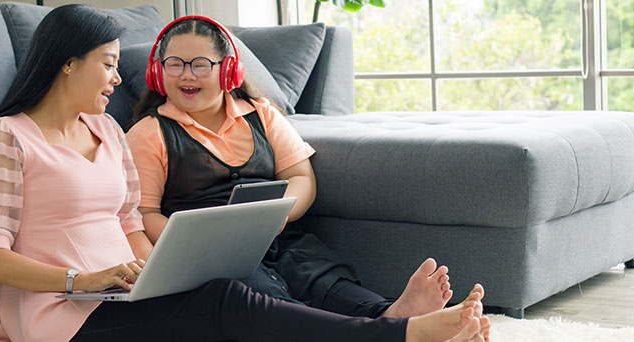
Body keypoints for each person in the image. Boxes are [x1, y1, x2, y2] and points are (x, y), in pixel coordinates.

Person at [0, 5, 489, 342]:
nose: (118, 77)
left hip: (122, 291)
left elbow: (127, 223)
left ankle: (388, 321)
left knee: (231, 292)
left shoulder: (104, 130)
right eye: (107, 62)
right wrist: (81, 279)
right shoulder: (6, 137)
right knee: (228, 301)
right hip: (63, 312)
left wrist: (160, 269)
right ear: (67, 63)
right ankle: (400, 335)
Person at [126, 13, 490, 336]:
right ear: (159, 71)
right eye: (175, 64)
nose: (186, 75)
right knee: (267, 300)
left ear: (229, 70)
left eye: (200, 65)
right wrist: (190, 238)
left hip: (279, 237)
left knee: (319, 276)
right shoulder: (149, 133)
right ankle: (390, 330)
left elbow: (301, 177)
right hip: (211, 255)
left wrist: (280, 211)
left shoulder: (260, 114)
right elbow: (144, 215)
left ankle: (391, 313)